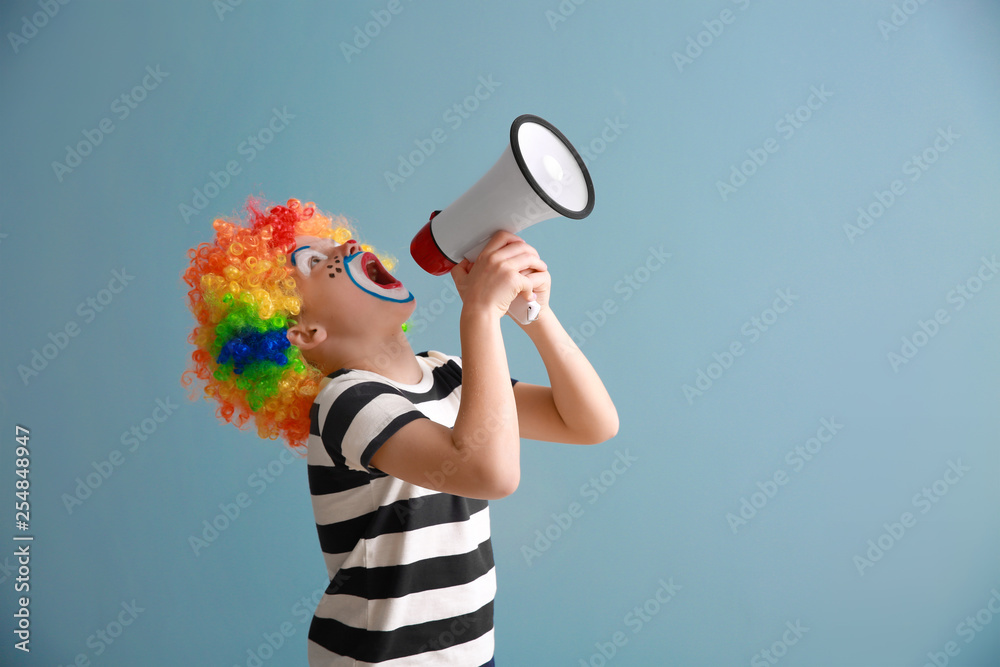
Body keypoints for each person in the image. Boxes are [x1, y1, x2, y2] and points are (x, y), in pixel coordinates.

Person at [183, 197, 618, 666]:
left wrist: (533, 315)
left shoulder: (446, 373)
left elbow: (590, 422)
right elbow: (491, 473)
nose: (346, 246)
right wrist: (479, 313)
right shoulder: (345, 401)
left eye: (337, 242)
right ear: (305, 332)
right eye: (313, 261)